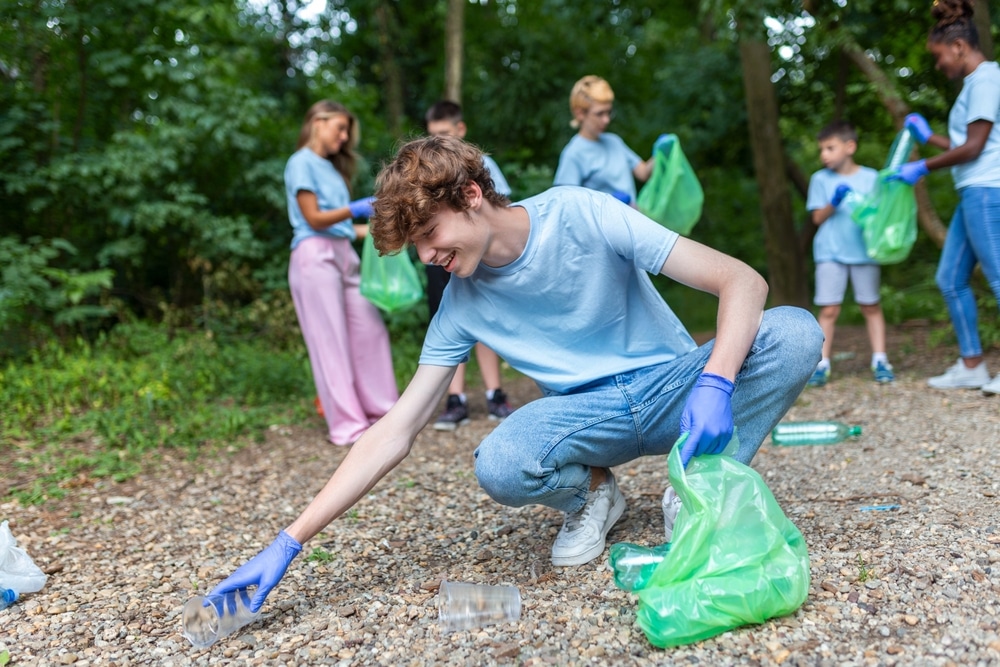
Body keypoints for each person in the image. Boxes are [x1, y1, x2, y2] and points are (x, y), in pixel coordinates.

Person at [208, 134, 822, 613]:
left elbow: (742, 281)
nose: (428, 258)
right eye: (418, 249)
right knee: (500, 461)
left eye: (430, 235)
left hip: (675, 391)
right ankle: (594, 495)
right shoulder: (461, 300)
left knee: (795, 332)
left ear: (472, 195)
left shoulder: (581, 212)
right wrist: (289, 541)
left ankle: (698, 483)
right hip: (591, 417)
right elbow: (394, 430)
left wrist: (715, 382)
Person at [892, 0, 1000, 394]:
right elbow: (964, 142)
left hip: (988, 188)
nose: (938, 65)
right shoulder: (975, 85)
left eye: (939, 56)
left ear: (958, 46)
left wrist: (922, 167)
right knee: (951, 278)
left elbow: (974, 148)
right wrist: (927, 138)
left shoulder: (987, 79)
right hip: (972, 190)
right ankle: (972, 365)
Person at [284, 100, 399, 445]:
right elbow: (314, 219)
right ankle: (348, 426)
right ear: (318, 122)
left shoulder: (332, 170)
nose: (345, 136)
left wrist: (391, 232)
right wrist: (355, 208)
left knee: (370, 329)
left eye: (347, 130)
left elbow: (346, 230)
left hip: (343, 254)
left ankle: (383, 411)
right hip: (313, 255)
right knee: (329, 342)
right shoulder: (300, 163)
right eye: (340, 127)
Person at [423, 100, 515, 429]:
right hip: (442, 259)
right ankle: (455, 399)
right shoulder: (428, 171)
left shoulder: (482, 163)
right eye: (433, 135)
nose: (439, 142)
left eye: (445, 134)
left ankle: (495, 394)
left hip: (478, 256)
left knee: (486, 319)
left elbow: (501, 206)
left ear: (460, 130)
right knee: (447, 319)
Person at [805, 121, 895, 386]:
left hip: (865, 253)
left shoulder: (871, 178)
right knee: (829, 309)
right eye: (822, 149)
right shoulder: (819, 179)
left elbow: (879, 216)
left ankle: (880, 359)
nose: (824, 155)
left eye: (830, 148)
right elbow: (817, 218)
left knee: (871, 305)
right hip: (829, 253)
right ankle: (822, 364)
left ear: (850, 147)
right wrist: (834, 201)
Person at [553, 75, 655, 204]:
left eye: (608, 112)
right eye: (599, 113)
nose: (606, 120)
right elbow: (564, 204)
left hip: (632, 222)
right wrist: (607, 206)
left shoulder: (614, 142)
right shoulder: (573, 154)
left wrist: (661, 154)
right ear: (580, 113)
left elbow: (643, 173)